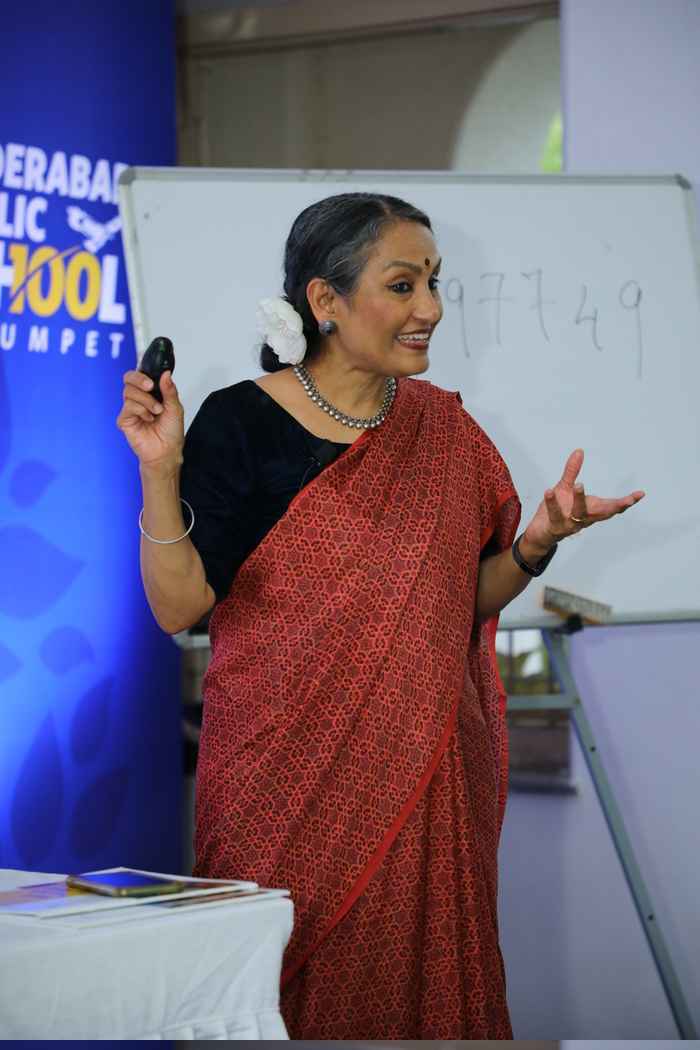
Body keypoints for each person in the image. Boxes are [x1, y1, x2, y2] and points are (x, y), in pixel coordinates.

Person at [116, 192, 645, 1039]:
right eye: (403, 286)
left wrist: (537, 544)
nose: (430, 308)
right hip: (277, 789)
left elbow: (458, 603)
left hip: (424, 781)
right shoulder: (242, 421)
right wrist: (158, 470)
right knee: (272, 999)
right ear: (324, 301)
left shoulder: (447, 433)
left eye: (435, 283)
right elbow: (177, 604)